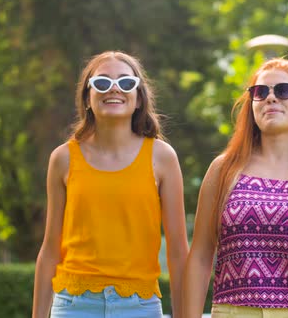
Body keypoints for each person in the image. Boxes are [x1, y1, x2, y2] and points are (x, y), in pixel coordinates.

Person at [183, 58, 288, 318]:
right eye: (260, 92)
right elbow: (201, 256)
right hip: (232, 312)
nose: (270, 98)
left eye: (283, 90)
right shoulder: (224, 170)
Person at [32, 51, 189, 318]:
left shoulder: (162, 158)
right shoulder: (63, 159)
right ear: (87, 98)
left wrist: (186, 314)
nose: (114, 89)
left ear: (139, 98)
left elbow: (177, 251)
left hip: (140, 306)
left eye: (126, 83)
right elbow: (50, 250)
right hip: (73, 306)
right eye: (102, 83)